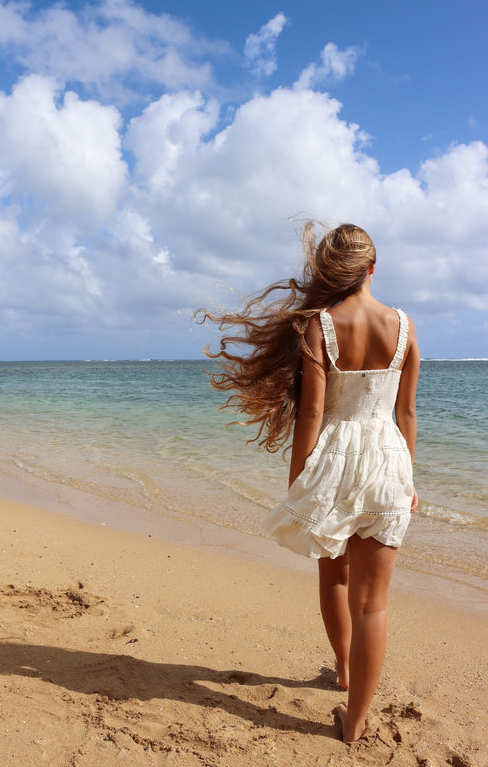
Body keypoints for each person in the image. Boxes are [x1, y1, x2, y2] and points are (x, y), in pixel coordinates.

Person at [196, 222, 420, 744]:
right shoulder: (405, 325)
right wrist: (407, 476)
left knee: (335, 579)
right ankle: (356, 720)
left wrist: (300, 481)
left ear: (329, 270)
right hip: (388, 461)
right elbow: (406, 412)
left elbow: (312, 414)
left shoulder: (321, 325)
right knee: (375, 604)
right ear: (373, 266)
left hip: (335, 463)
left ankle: (342, 670)